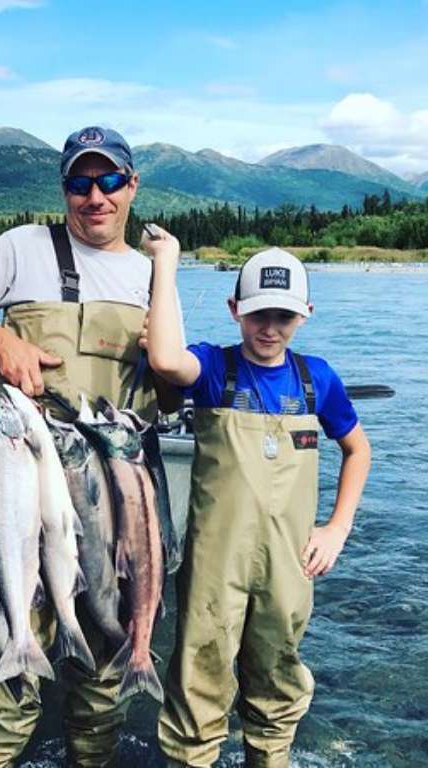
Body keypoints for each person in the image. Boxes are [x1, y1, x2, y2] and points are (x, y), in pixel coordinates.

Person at [0, 125, 184, 766]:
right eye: (79, 182)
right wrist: (0, 342)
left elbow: (175, 377)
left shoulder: (151, 276)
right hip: (19, 491)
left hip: (117, 508)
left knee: (102, 688)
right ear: (64, 189)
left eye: (108, 181)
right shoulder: (22, 248)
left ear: (132, 187)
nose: (93, 196)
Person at [143, 233, 372, 768]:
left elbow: (358, 451)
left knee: (278, 677)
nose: (270, 329)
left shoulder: (318, 380)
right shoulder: (212, 369)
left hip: (289, 565)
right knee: (199, 677)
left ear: (305, 315)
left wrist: (337, 528)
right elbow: (165, 359)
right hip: (213, 565)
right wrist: (166, 265)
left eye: (284, 317)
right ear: (234, 310)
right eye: (257, 315)